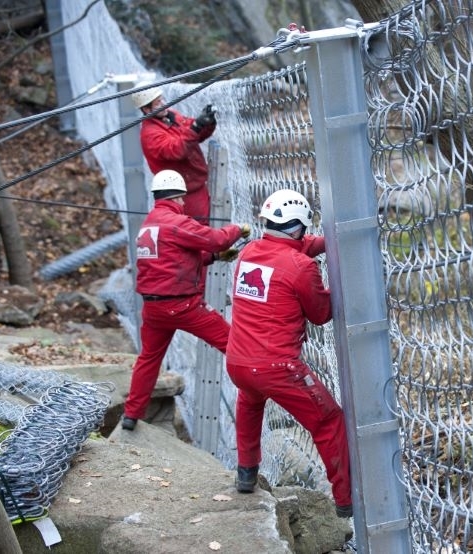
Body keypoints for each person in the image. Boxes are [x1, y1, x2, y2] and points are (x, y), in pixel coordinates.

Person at [225, 189, 352, 518]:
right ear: (300, 226)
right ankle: (346, 499)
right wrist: (340, 284)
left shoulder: (249, 252)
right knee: (328, 420)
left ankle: (246, 473)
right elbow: (321, 313)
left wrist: (328, 242)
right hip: (278, 367)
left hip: (239, 361)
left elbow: (291, 247)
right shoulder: (300, 266)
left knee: (250, 403)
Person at [122, 169, 250, 431]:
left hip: (153, 309)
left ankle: (130, 415)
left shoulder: (149, 226)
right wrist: (239, 229)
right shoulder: (176, 223)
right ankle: (258, 385)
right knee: (233, 343)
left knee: (148, 359)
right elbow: (216, 239)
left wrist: (214, 258)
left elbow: (171, 262)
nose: (183, 204)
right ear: (176, 197)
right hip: (183, 306)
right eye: (181, 199)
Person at [130, 83, 217, 225]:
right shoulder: (150, 134)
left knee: (206, 229)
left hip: (196, 186)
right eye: (158, 103)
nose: (163, 104)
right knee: (199, 232)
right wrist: (196, 127)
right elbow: (176, 150)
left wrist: (207, 123)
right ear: (146, 109)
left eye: (161, 99)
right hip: (182, 194)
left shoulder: (171, 116)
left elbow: (193, 134)